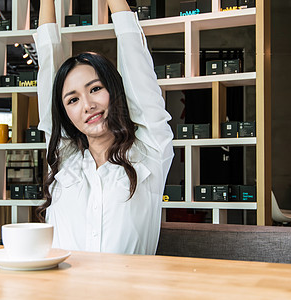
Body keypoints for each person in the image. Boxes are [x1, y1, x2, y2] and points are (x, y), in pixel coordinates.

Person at [33, 0, 174, 255]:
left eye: (96, 89)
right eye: (73, 100)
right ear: (65, 113)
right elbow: (47, 60)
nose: (88, 105)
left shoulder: (149, 154)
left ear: (113, 90)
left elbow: (135, 56)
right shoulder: (66, 161)